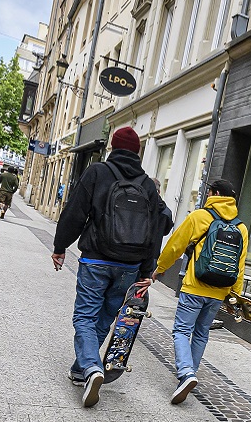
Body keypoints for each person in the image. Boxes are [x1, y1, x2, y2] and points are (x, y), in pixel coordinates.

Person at [52, 126, 172, 407]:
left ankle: (93, 367)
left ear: (112, 148)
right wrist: (146, 271)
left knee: (84, 316)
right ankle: (81, 370)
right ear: (138, 153)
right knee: (105, 319)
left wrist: (60, 247)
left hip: (96, 259)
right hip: (129, 266)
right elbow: (157, 228)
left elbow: (75, 212)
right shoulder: (146, 184)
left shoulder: (97, 172)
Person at [153, 179, 248, 403]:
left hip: (195, 286)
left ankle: (186, 373)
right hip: (220, 291)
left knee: (181, 331)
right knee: (202, 332)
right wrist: (233, 296)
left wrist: (160, 268)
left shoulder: (200, 217)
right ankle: (189, 375)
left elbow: (176, 245)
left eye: (209, 193)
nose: (206, 196)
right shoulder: (241, 227)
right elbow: (240, 266)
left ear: (214, 194)